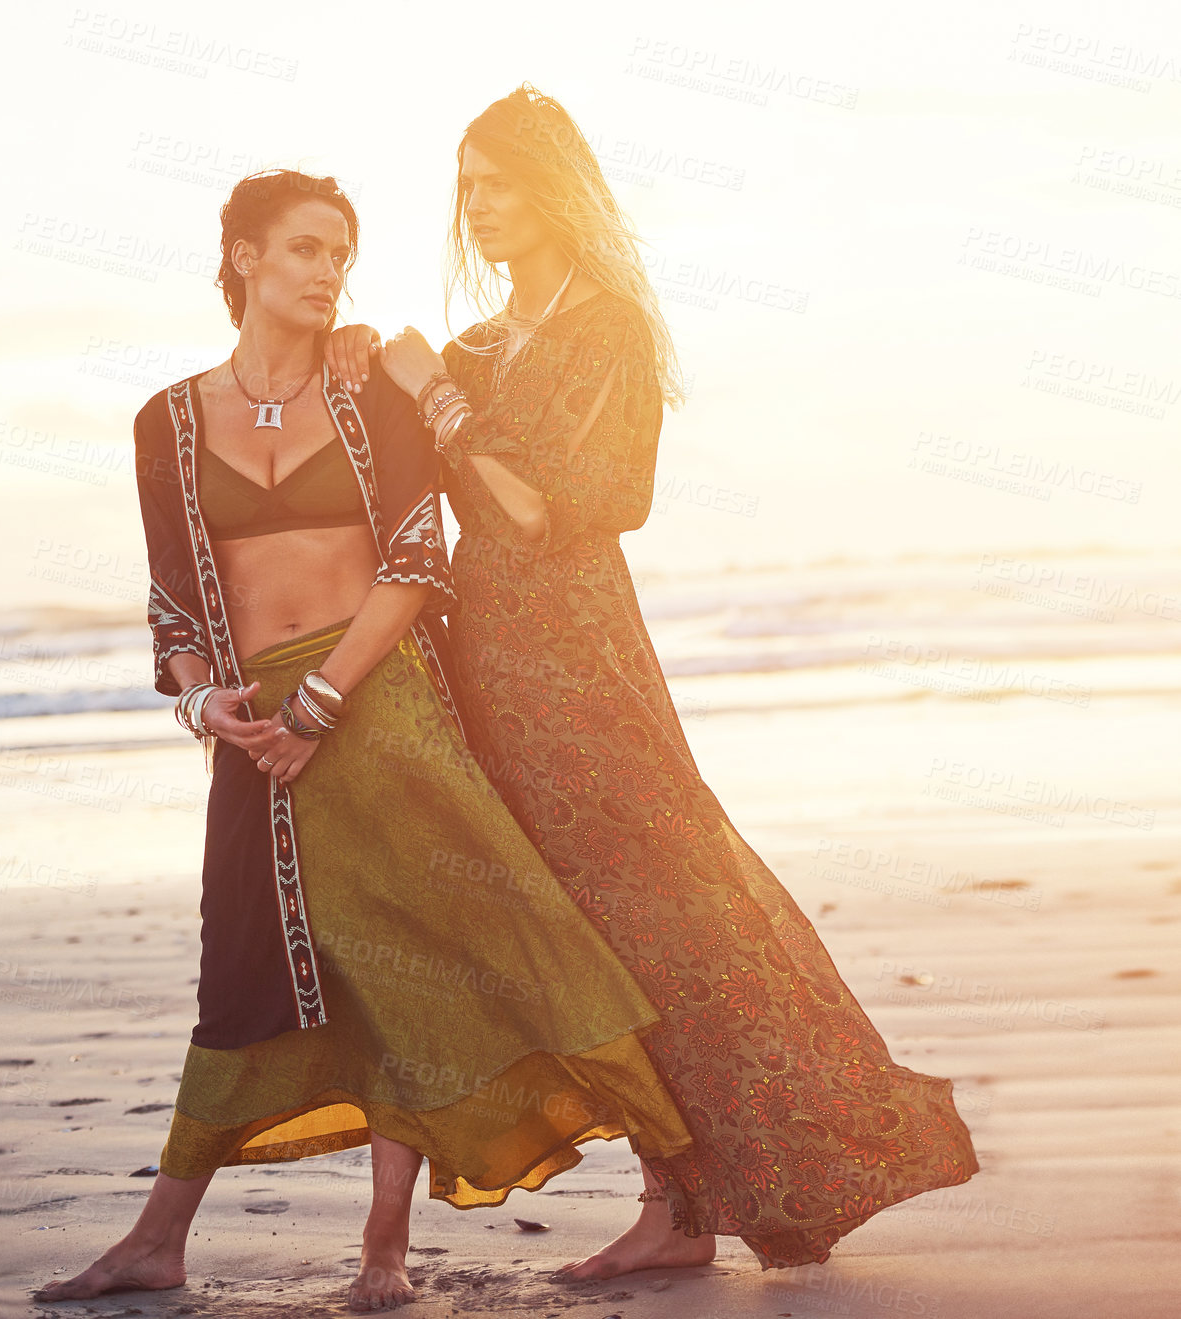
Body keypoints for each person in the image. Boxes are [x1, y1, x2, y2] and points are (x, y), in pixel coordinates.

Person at [325, 84, 980, 1277]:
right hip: (488, 659)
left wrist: (435, 392)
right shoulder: (474, 343)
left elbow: (552, 509)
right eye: (466, 188)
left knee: (667, 913)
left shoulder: (606, 329)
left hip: (581, 657)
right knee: (573, 935)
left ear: (558, 188)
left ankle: (723, 1187)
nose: (479, 208)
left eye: (501, 183)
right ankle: (671, 1203)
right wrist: (360, 363)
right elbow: (384, 477)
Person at [34, 167, 701, 1312]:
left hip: (380, 705)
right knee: (244, 971)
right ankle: (157, 1238)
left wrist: (322, 705)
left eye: (340, 253)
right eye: (302, 249)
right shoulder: (170, 418)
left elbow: (413, 560)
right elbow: (173, 605)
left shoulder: (374, 396)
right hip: (256, 733)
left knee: (423, 974)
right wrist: (209, 706)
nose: (326, 272)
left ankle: (391, 1249)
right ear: (241, 256)